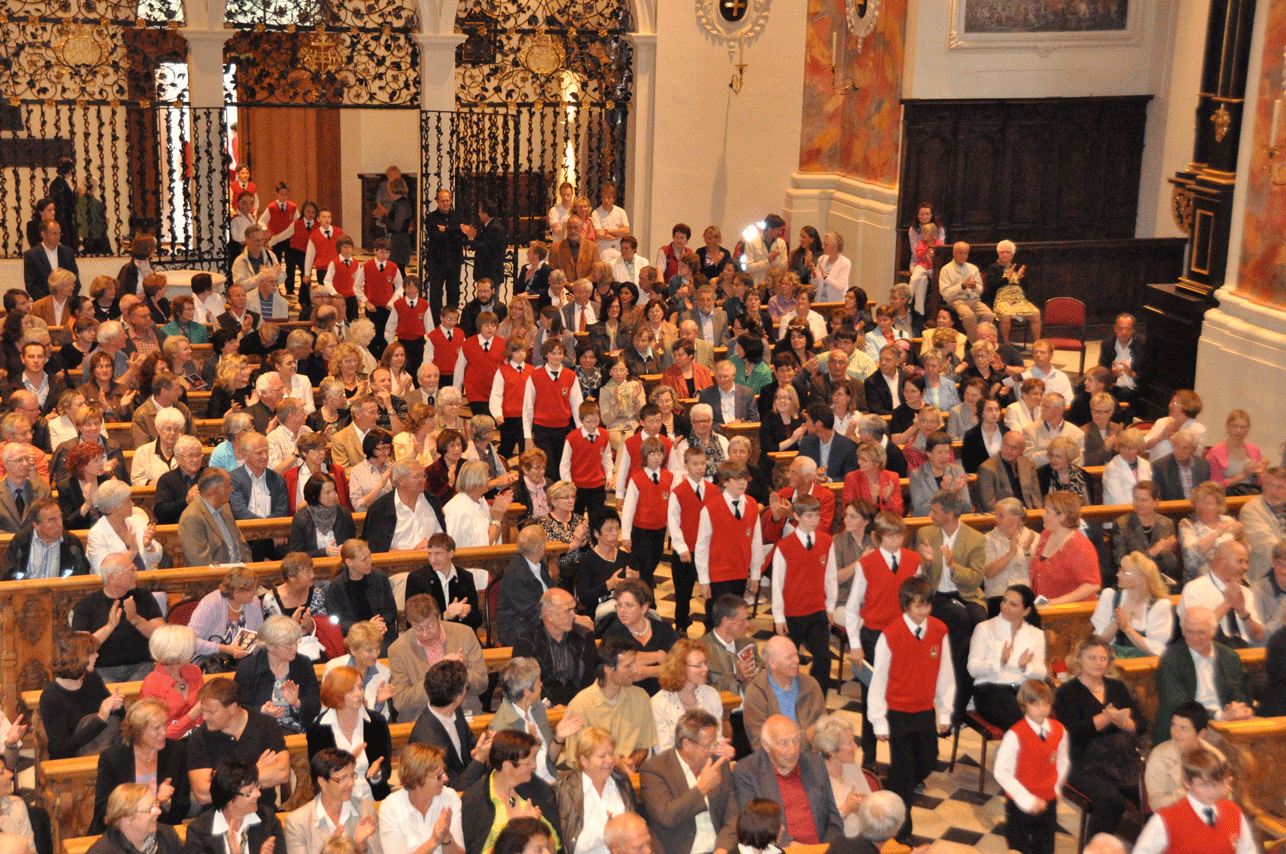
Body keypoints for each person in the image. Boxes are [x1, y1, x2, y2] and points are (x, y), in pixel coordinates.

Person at [867, 576, 954, 843]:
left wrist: (946, 710)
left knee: (928, 760)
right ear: (905, 605)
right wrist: (879, 721)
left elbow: (945, 673)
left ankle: (893, 784)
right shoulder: (890, 634)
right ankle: (903, 834)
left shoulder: (939, 630)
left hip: (925, 711)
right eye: (917, 605)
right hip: (898, 713)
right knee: (905, 774)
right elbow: (879, 679)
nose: (922, 611)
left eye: (926, 605)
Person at [1052, 638, 1143, 841]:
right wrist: (1106, 718)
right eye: (1092, 657)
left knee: (1150, 794)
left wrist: (1124, 723)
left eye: (1103, 658)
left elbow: (1141, 724)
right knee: (1112, 800)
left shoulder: (1117, 687)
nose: (1098, 662)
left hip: (1122, 760)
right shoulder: (1067, 691)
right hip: (1081, 760)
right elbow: (1071, 731)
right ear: (1079, 660)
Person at [732, 715, 844, 844]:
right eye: (783, 744)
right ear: (766, 745)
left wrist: (828, 847)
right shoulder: (747, 771)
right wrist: (788, 845)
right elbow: (753, 826)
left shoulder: (814, 763)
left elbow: (833, 816)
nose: (792, 750)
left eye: (796, 741)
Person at [639, 708, 736, 854]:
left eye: (714, 743)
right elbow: (667, 816)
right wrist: (701, 788)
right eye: (707, 745)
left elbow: (733, 817)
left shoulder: (719, 764)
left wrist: (722, 849)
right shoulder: (654, 770)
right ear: (686, 744)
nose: (712, 750)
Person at [767, 494, 837, 693]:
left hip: (817, 611)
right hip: (792, 614)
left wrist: (830, 607)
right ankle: (782, 696)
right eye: (808, 516)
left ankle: (816, 700)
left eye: (816, 516)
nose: (813, 521)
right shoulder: (785, 546)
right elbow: (777, 585)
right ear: (796, 516)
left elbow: (830, 577)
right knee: (786, 661)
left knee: (823, 658)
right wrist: (778, 617)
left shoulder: (826, 541)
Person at [90, 698, 191, 833]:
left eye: (165, 725)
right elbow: (104, 810)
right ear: (138, 731)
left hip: (162, 832)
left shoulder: (177, 752)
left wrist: (165, 803)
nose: (164, 733)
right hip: (119, 833)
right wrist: (156, 802)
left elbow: (183, 806)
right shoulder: (113, 758)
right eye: (156, 728)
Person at [1153, 606, 1252, 742]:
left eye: (1201, 632)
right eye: (1189, 632)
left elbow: (1239, 694)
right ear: (1182, 630)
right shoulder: (1171, 658)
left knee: (1265, 737)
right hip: (1189, 726)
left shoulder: (1229, 656)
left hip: (1229, 720)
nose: (1195, 638)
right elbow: (1179, 705)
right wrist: (1219, 715)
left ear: (1213, 631)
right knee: (1230, 744)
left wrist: (1239, 709)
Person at [993, 679, 1069, 854]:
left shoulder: (1059, 730)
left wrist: (1055, 789)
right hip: (1020, 803)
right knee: (1019, 847)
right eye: (1035, 704)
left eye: (1046, 703)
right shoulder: (1015, 734)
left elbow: (1062, 761)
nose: (1042, 709)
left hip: (1047, 800)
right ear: (1024, 706)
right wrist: (1027, 800)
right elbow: (1002, 771)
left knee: (1045, 846)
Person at [1132, 749, 1256, 854]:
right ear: (1187, 783)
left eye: (1216, 784)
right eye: (1203, 785)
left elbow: (1248, 851)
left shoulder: (1233, 811)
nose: (1212, 791)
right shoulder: (1166, 820)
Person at [388, 594, 487, 721]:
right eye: (417, 628)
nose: (424, 634)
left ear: (439, 618)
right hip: (422, 719)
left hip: (464, 713)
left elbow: (482, 685)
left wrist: (460, 670)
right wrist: (435, 678)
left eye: (430, 626)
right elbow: (400, 702)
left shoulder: (465, 634)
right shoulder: (398, 649)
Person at [562, 638, 656, 771]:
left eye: (634, 664)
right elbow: (578, 761)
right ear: (608, 669)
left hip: (630, 775)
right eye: (628, 666)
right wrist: (614, 764)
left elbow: (643, 747)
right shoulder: (580, 706)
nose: (635, 670)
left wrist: (630, 761)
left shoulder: (641, 697)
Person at [459, 732, 560, 854]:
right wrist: (521, 830)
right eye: (529, 762)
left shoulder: (538, 789)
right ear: (507, 765)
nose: (534, 766)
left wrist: (538, 829)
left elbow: (558, 845)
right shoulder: (475, 799)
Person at [489, 658, 584, 783]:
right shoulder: (502, 727)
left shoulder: (536, 708)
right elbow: (514, 778)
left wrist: (558, 738)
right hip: (528, 791)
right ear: (527, 692)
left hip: (551, 781)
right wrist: (531, 749)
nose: (541, 684)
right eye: (538, 682)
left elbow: (550, 762)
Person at [72, 552, 164, 681]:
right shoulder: (87, 604)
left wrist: (136, 620)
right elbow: (81, 648)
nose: (136, 574)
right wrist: (109, 627)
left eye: (134, 570)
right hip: (101, 670)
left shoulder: (144, 596)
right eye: (130, 571)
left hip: (141, 666)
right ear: (111, 578)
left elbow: (161, 635)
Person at [967, 584, 1047, 731]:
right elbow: (972, 669)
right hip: (990, 690)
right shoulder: (984, 628)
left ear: (1026, 610)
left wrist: (1025, 667)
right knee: (1024, 725)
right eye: (1004, 601)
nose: (1004, 606)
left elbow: (1041, 673)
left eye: (1013, 604)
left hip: (1024, 691)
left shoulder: (1036, 634)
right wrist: (999, 662)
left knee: (1048, 719)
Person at [406, 659, 492, 792]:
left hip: (469, 784)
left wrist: (479, 752)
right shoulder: (427, 741)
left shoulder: (454, 709)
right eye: (465, 687)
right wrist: (480, 759)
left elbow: (469, 743)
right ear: (457, 697)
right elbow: (452, 788)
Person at [553, 727, 638, 854]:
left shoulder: (621, 782)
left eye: (611, 754)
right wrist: (605, 830)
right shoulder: (566, 790)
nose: (609, 761)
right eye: (602, 756)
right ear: (584, 760)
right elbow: (571, 845)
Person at [39, 631, 122, 759]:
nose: (97, 655)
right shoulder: (51, 697)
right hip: (72, 763)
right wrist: (99, 720)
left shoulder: (91, 678)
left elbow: (120, 716)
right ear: (78, 658)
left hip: (102, 752)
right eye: (91, 653)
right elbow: (60, 749)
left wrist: (116, 707)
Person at [233, 615, 320, 735]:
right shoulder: (248, 667)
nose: (295, 648)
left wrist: (297, 703)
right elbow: (237, 706)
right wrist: (262, 710)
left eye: (296, 641)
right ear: (270, 646)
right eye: (288, 644)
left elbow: (315, 704)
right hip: (260, 732)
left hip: (298, 731)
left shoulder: (303, 664)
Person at [282, 749, 381, 854]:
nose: (351, 783)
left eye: (352, 776)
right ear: (322, 782)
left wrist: (360, 845)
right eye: (343, 779)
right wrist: (329, 850)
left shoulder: (365, 808)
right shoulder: (297, 822)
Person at [511, 589, 598, 707]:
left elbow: (590, 681)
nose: (574, 615)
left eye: (574, 609)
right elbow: (523, 687)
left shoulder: (583, 637)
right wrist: (547, 706)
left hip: (580, 706)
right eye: (568, 611)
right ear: (550, 615)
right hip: (539, 709)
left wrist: (577, 706)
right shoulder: (527, 642)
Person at [182, 760, 286, 854]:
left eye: (257, 787)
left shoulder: (268, 819)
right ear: (229, 798)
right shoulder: (199, 832)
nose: (258, 794)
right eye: (249, 792)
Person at [1179, 539, 1264, 648]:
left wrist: (1242, 612)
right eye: (1240, 561)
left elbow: (1258, 636)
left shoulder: (1245, 592)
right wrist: (1227, 604)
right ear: (1222, 560)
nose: (1246, 568)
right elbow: (1196, 634)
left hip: (1247, 655)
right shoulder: (1194, 589)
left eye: (1246, 562)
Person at [598, 580, 678, 696]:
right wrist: (658, 656)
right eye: (619, 605)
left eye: (629, 605)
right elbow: (618, 664)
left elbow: (680, 664)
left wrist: (647, 671)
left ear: (644, 607)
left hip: (665, 694)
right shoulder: (614, 632)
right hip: (628, 696)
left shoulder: (663, 629)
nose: (622, 610)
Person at [1144, 702, 1226, 812]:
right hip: (1173, 818)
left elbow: (1226, 798)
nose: (1176, 734)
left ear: (1201, 733)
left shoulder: (1216, 756)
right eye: (1174, 726)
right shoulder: (1159, 757)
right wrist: (1187, 793)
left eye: (1184, 729)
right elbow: (1156, 805)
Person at [1092, 551, 1174, 658]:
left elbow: (1157, 651)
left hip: (1145, 666)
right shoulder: (1110, 597)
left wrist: (1127, 628)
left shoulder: (1158, 606)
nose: (1118, 575)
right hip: (1112, 662)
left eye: (1124, 572)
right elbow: (1099, 642)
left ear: (1140, 579)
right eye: (1119, 570)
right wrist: (1116, 622)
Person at [1028, 491, 1101, 605]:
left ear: (1062, 516)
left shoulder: (1080, 545)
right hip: (1043, 610)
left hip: (1068, 614)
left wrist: (1055, 602)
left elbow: (1092, 585)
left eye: (1047, 512)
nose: (1042, 514)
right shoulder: (1046, 535)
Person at [325, 540, 398, 650]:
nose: (370, 561)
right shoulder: (337, 586)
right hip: (352, 637)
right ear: (349, 562)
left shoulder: (380, 578)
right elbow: (336, 622)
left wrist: (379, 624)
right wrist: (366, 626)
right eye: (364, 559)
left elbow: (391, 612)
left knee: (385, 650)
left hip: (380, 633)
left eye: (369, 556)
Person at [810, 714, 871, 838]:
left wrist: (865, 808)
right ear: (831, 751)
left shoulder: (850, 765)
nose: (856, 746)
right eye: (850, 743)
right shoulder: (815, 779)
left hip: (866, 839)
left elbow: (871, 802)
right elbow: (820, 828)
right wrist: (846, 810)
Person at [178, 468, 253, 567]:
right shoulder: (192, 517)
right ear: (216, 491)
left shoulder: (225, 507)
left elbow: (241, 544)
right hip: (216, 577)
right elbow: (202, 563)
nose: (232, 489)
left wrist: (250, 569)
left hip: (239, 573)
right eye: (228, 486)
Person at [496, 525, 557, 646]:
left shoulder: (539, 564)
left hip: (538, 620)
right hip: (518, 627)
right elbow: (531, 612)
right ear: (540, 548)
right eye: (545, 542)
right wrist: (558, 622)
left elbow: (554, 593)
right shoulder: (517, 574)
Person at [1, 497, 89, 580]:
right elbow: (8, 574)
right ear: (36, 525)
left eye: (60, 518)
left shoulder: (71, 542)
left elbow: (82, 574)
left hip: (61, 594)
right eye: (52, 520)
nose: (60, 524)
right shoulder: (21, 540)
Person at [141, 624, 204, 739]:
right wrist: (193, 714)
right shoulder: (152, 685)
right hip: (168, 747)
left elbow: (203, 718)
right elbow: (159, 734)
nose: (194, 651)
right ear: (176, 652)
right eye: (190, 647)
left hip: (198, 739)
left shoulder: (194, 671)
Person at [1113, 481, 1180, 584]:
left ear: (1155, 502)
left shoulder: (1166, 523)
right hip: (1132, 580)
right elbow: (1120, 561)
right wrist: (1152, 552)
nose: (1139, 504)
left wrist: (1166, 553)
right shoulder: (1122, 524)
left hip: (1159, 579)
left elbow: (1172, 565)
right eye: (1136, 499)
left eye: (1144, 500)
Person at [87, 784, 182, 854]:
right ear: (127, 817)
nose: (158, 811)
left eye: (156, 805)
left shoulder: (167, 835)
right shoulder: (102, 851)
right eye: (150, 809)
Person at [289, 473, 356, 558]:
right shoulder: (301, 518)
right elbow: (296, 554)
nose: (333, 495)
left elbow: (352, 544)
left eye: (333, 490)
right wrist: (324, 552)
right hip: (312, 567)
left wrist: (345, 549)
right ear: (315, 495)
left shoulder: (344, 513)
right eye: (327, 492)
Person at [1243, 466, 1286, 582]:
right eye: (1269, 486)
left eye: (1280, 487)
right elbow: (1272, 549)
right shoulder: (1251, 510)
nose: (1274, 492)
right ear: (1263, 486)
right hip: (1265, 579)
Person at [1151, 431, 1212, 502]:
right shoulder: (1159, 467)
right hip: (1173, 509)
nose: (1180, 451)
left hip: (1198, 508)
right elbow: (1158, 497)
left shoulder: (1203, 465)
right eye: (1177, 446)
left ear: (1194, 450)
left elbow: (1207, 492)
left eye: (1185, 448)